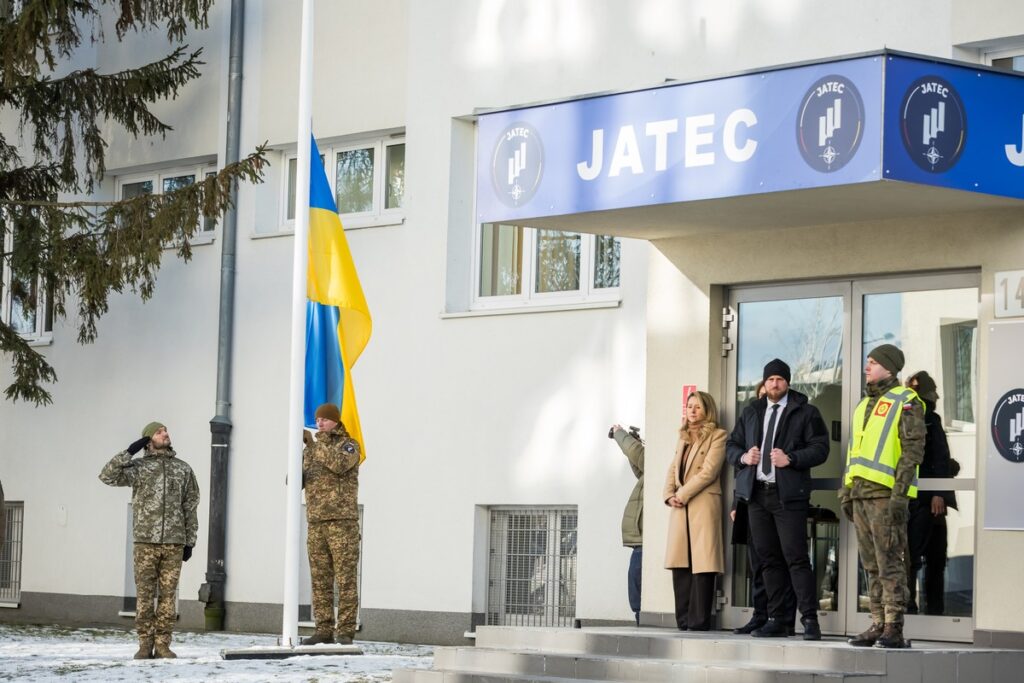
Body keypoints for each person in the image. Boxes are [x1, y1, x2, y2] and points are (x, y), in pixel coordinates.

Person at [726, 359, 829, 640]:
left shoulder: (805, 412)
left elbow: (821, 449)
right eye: (770, 379)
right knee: (768, 560)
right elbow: (731, 445)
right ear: (765, 382)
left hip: (788, 498)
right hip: (757, 495)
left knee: (796, 559)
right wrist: (744, 457)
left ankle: (809, 620)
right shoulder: (752, 411)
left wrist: (791, 458)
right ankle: (778, 619)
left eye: (780, 379)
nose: (774, 383)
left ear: (788, 383)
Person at [840, 345, 925, 649]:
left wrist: (900, 497)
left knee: (890, 562)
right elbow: (855, 453)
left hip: (886, 497)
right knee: (870, 564)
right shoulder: (863, 405)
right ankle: (877, 623)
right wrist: (846, 492)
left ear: (889, 368)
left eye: (874, 362)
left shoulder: (907, 401)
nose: (868, 366)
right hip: (861, 495)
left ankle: (894, 627)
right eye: (868, 361)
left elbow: (912, 452)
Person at [99, 422, 200, 659]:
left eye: (166, 431)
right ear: (148, 440)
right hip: (145, 542)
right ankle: (145, 644)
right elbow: (107, 475)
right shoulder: (138, 468)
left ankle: (163, 644)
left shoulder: (183, 469)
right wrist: (129, 452)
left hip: (174, 542)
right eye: (159, 431)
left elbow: (191, 506)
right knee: (144, 596)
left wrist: (190, 541)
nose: (165, 434)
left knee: (167, 596)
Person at [730, 380, 798, 635]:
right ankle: (760, 614)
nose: (764, 400)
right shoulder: (751, 420)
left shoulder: (782, 422)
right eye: (760, 396)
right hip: (751, 500)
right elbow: (742, 468)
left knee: (780, 560)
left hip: (780, 500)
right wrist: (737, 503)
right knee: (758, 563)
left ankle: (781, 617)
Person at [663, 390, 727, 631]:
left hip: (701, 504)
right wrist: (669, 495)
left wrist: (682, 494)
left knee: (702, 564)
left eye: (698, 407)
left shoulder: (718, 436)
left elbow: (709, 471)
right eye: (689, 406)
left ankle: (699, 621)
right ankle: (683, 620)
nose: (692, 410)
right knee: (680, 564)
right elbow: (673, 468)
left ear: (707, 410)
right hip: (680, 506)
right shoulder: (683, 437)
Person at [302, 403, 362, 645]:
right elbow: (299, 480)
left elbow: (339, 465)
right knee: (320, 579)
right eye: (317, 420)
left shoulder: (348, 445)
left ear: (335, 421)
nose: (320, 424)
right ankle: (323, 629)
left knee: (345, 579)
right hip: (316, 522)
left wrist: (313, 446)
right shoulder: (311, 451)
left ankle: (345, 631)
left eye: (324, 420)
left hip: (342, 523)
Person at [904, 370, 957, 616]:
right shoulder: (921, 418)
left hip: (924, 503)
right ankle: (918, 610)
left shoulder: (928, 420)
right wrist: (939, 491)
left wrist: (939, 491)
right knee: (917, 560)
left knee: (925, 560)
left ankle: (923, 611)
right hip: (919, 503)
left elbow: (940, 459)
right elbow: (939, 458)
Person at [609, 424, 644, 626]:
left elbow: (638, 454)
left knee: (636, 576)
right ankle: (639, 617)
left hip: (647, 534)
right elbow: (639, 463)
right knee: (635, 578)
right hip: (642, 534)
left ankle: (641, 618)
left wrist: (619, 433)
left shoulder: (660, 459)